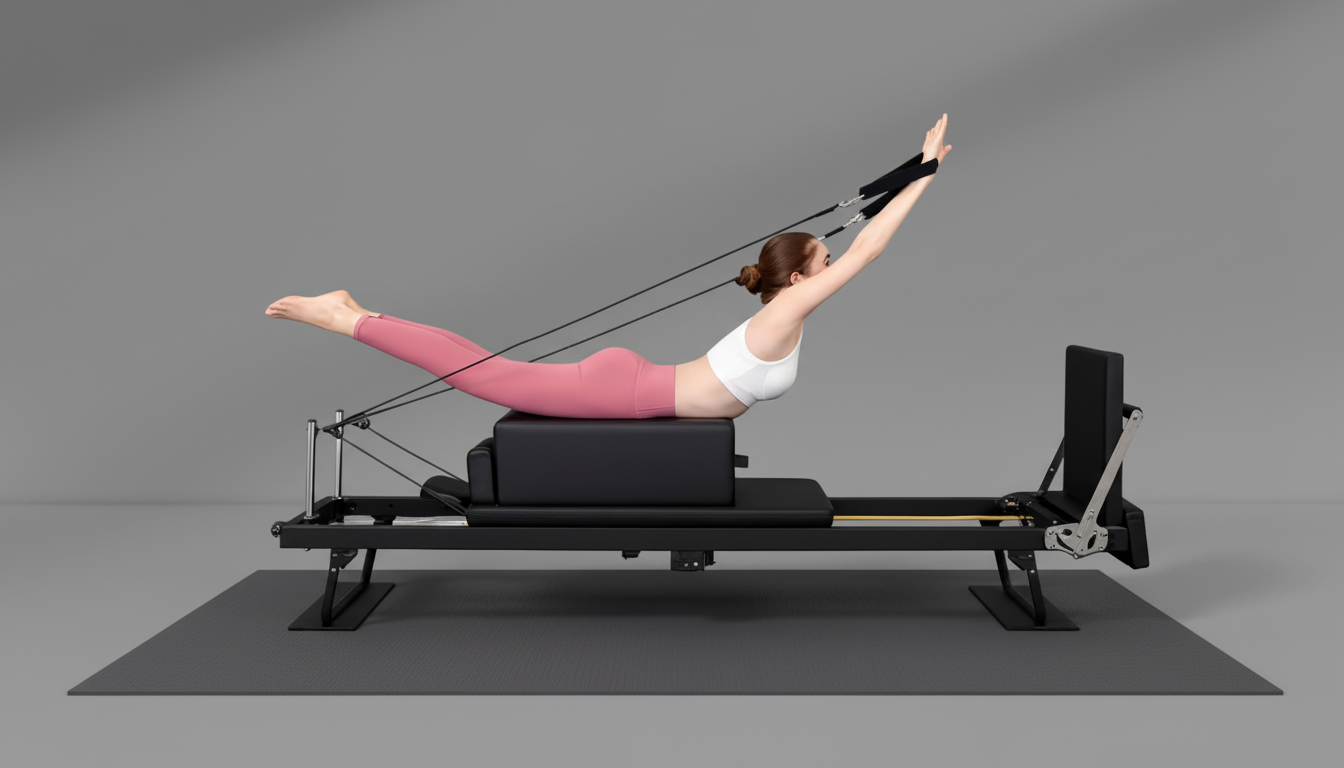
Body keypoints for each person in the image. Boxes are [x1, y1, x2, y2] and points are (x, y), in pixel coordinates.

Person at [266, 115, 951, 420]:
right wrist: (923, 176)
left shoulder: (785, 309)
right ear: (797, 280)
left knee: (486, 367)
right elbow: (868, 250)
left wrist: (911, 173)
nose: (833, 267)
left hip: (636, 384)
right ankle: (346, 318)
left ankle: (355, 312)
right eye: (821, 262)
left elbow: (856, 239)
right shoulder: (783, 313)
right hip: (630, 395)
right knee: (483, 376)